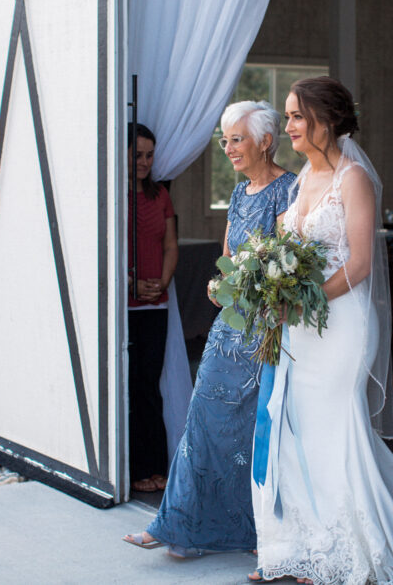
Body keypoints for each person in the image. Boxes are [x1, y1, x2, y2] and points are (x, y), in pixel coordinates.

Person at [250, 78, 393, 584]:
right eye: (287, 116)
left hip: (343, 325)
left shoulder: (351, 178)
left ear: (325, 121)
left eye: (295, 116)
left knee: (335, 430)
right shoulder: (300, 180)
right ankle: (308, 548)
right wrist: (274, 291)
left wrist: (301, 301)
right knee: (301, 433)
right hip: (300, 329)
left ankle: (346, 552)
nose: (287, 125)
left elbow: (357, 264)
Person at [123, 101, 295, 556]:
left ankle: (252, 529)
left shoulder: (289, 191)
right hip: (228, 327)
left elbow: (284, 266)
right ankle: (177, 523)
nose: (228, 148)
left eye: (235, 139)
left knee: (253, 432)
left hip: (265, 330)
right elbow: (229, 256)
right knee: (201, 421)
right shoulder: (240, 194)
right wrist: (219, 283)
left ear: (264, 141)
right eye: (224, 140)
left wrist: (247, 284)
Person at [127, 123, 178, 493]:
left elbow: (171, 246)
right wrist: (128, 284)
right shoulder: (111, 195)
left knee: (149, 386)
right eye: (137, 155)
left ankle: (155, 465)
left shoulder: (160, 195)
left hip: (155, 305)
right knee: (127, 386)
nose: (145, 162)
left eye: (149, 155)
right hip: (121, 307)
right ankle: (130, 467)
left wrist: (161, 282)